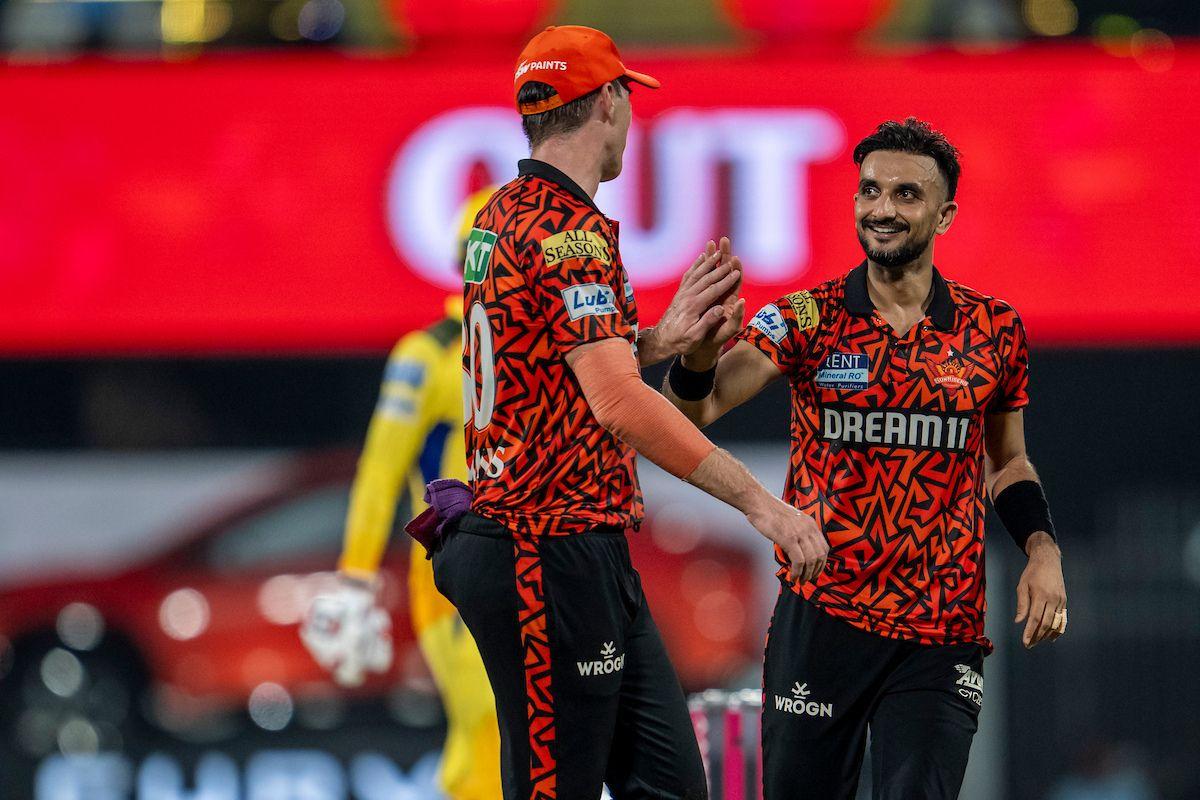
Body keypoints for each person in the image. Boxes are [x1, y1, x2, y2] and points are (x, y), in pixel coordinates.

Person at [432, 24, 827, 800]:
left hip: (568, 545)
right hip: (543, 548)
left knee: (671, 785)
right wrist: (763, 506)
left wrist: (659, 340)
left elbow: (551, 366)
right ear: (608, 100)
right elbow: (615, 402)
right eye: (627, 95)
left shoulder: (500, 213)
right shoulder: (569, 231)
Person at [662, 118, 1069, 799]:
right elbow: (690, 411)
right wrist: (700, 352)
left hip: (941, 629)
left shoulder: (994, 329)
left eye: (907, 194)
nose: (883, 208)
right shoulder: (806, 317)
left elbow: (1008, 463)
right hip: (823, 616)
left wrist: (1042, 548)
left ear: (945, 215)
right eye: (871, 190)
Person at [301, 188, 503, 800]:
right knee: (492, 730)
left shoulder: (547, 352)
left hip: (535, 569)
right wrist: (356, 578)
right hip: (459, 580)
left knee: (509, 742)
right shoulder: (430, 356)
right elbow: (380, 470)